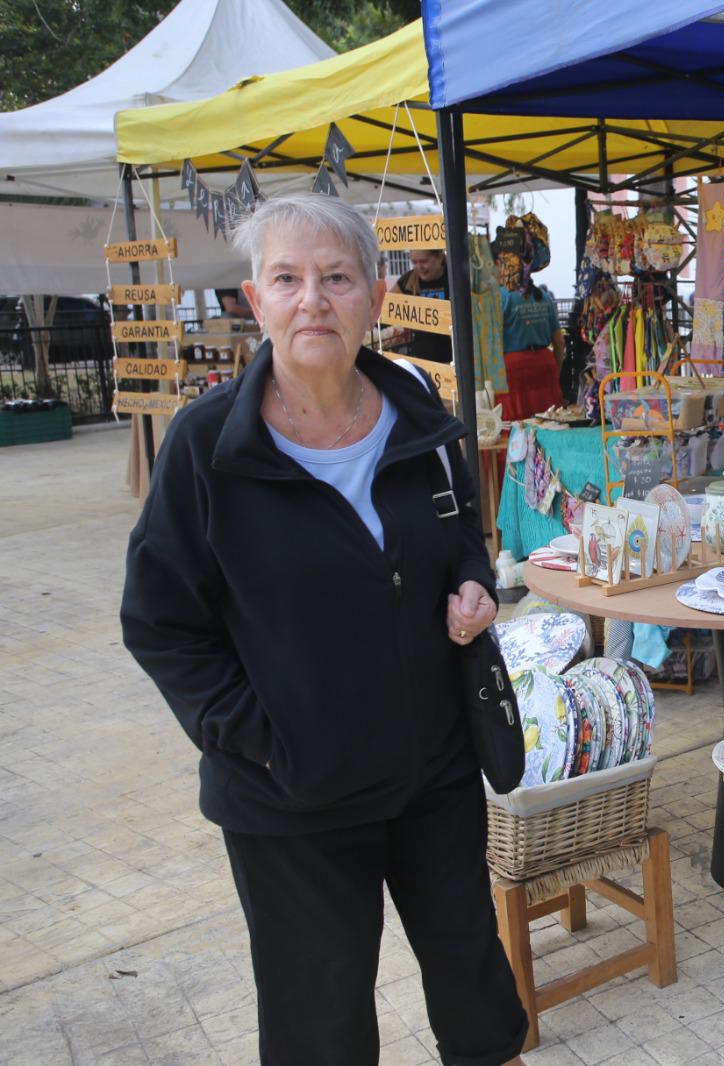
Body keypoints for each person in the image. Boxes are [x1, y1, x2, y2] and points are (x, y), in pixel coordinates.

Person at [120, 193, 527, 1066]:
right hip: (292, 798)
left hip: (435, 775)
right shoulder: (204, 449)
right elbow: (160, 624)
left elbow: (462, 541)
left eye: (337, 277)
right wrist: (263, 739)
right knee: (321, 1023)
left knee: (475, 992)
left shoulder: (420, 415)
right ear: (253, 299)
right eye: (289, 279)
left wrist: (471, 584)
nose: (315, 300)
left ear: (376, 295)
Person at [500, 279, 566, 420]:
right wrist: (555, 373)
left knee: (514, 428)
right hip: (544, 368)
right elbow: (559, 343)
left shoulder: (501, 297)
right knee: (549, 425)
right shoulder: (544, 297)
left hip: (513, 373)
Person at [394, 248, 453, 363]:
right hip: (421, 358)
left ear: (440, 257)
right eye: (414, 262)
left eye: (424, 261)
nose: (419, 267)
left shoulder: (453, 277)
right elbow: (386, 305)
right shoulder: (408, 280)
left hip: (451, 359)